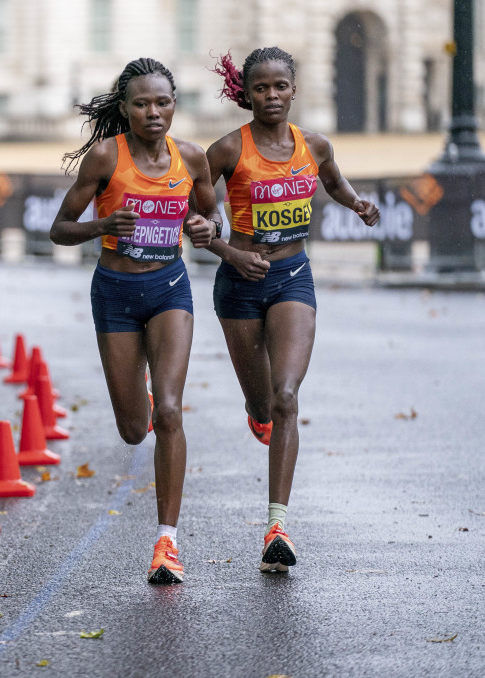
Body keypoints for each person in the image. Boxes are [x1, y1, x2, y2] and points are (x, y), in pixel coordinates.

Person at [204, 47, 380, 572]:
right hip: (238, 284)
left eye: (281, 86)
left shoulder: (315, 145)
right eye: (261, 88)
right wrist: (230, 251)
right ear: (247, 94)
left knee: (286, 397)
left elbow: (332, 179)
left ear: (294, 89)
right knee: (262, 407)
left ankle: (276, 525)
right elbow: (198, 219)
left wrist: (356, 203)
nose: (272, 96)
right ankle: (257, 415)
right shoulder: (226, 151)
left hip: (293, 277)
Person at [50, 57, 220, 584]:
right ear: (124, 109)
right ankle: (139, 398)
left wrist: (203, 225)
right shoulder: (105, 157)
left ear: (175, 106)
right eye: (142, 103)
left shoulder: (191, 159)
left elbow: (212, 218)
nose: (153, 112)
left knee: (169, 411)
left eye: (163, 102)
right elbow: (59, 229)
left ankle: (166, 542)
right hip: (117, 295)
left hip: (169, 288)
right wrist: (104, 222)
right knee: (133, 429)